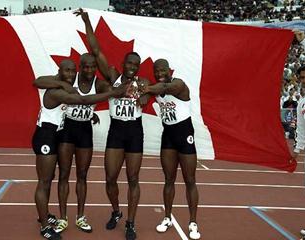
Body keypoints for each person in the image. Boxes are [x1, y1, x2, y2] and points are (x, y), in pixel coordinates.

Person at [75, 8, 151, 240]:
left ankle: (130, 222)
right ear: (123, 63)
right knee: (110, 178)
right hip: (116, 130)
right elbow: (96, 50)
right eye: (129, 63)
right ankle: (117, 211)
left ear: (138, 67)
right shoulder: (112, 76)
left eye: (135, 65)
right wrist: (88, 21)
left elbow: (145, 100)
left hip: (134, 131)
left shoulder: (142, 81)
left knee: (133, 179)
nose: (132, 67)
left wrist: (138, 92)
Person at [33, 59, 128, 240]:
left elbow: (75, 104)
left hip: (61, 133)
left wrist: (90, 113)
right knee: (47, 181)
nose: (70, 74)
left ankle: (63, 216)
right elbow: (81, 99)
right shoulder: (57, 89)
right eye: (66, 71)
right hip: (49, 135)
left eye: (71, 71)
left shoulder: (66, 84)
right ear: (61, 71)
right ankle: (47, 224)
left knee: (64, 177)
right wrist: (114, 93)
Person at [140, 59, 201, 239]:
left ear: (169, 70)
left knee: (190, 180)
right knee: (169, 179)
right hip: (168, 136)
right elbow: (143, 100)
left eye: (163, 70)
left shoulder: (179, 84)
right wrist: (141, 91)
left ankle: (193, 222)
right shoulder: (156, 88)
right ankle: (167, 217)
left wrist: (146, 88)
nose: (160, 73)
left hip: (184, 136)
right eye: (156, 71)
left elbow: (167, 89)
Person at [293, 29, 305, 240]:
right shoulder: (302, 103)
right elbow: (302, 130)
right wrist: (297, 150)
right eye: (302, 77)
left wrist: (304, 42)